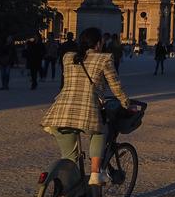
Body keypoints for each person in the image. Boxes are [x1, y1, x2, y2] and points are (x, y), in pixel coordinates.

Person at [41, 27, 133, 186]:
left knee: (69, 157)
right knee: (100, 131)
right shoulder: (104, 59)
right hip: (87, 109)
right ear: (98, 44)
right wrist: (126, 103)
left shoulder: (68, 57)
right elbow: (115, 86)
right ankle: (95, 174)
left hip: (60, 111)